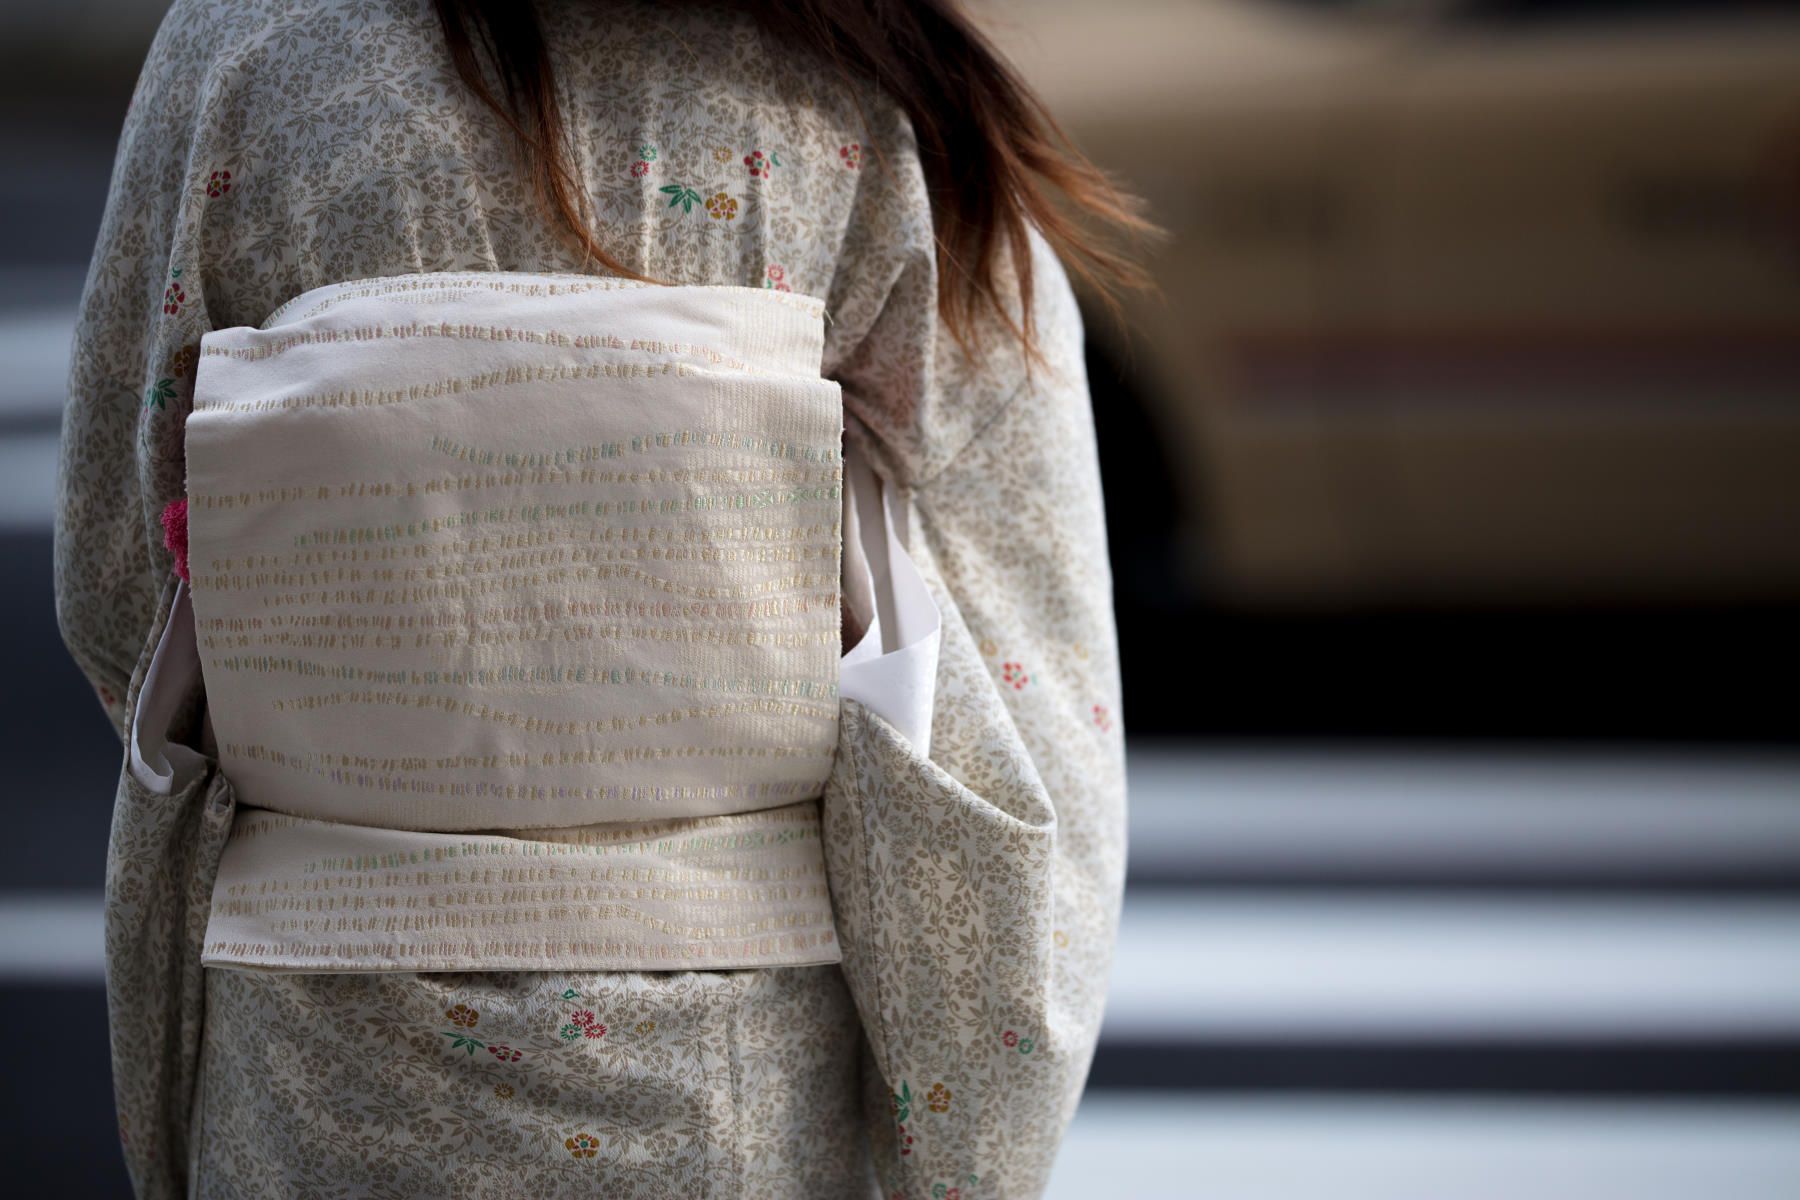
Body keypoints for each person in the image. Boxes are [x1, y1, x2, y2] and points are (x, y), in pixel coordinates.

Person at [54, 0, 1153, 1195]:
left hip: (320, 1057)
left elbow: (117, 580)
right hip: (731, 1076)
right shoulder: (861, 86)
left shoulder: (249, 44)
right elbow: (1013, 629)